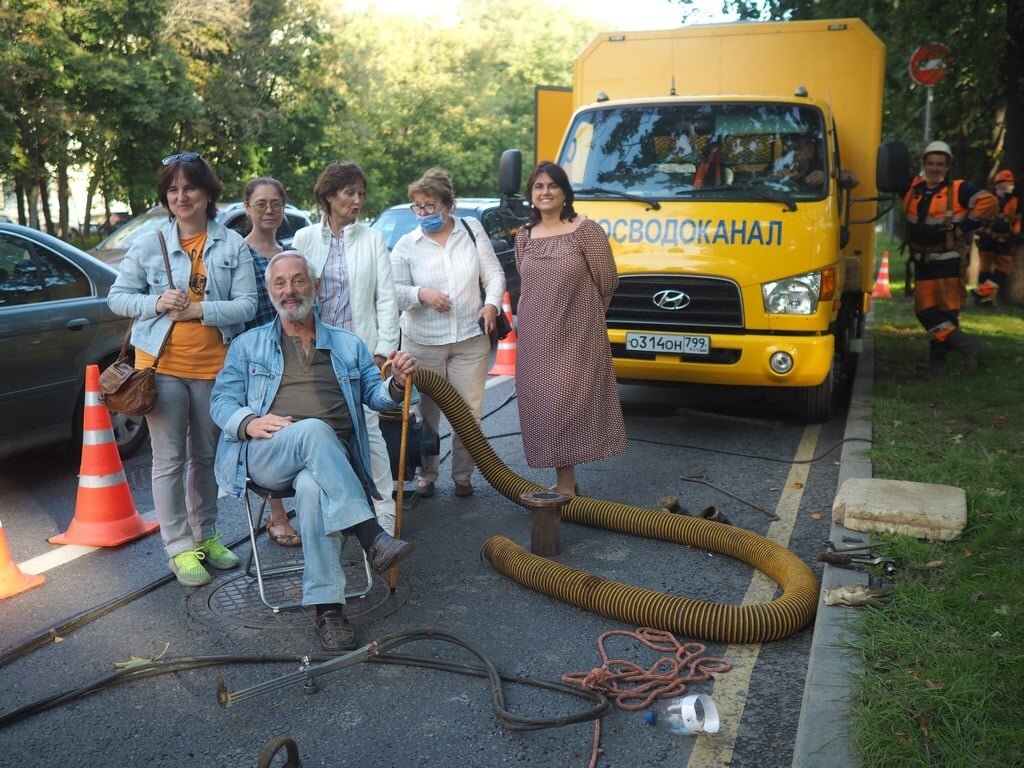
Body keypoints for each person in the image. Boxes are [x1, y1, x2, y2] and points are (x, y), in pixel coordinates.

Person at [210, 251, 416, 653]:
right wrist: (249, 421)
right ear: (270, 292)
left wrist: (397, 383)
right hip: (268, 453)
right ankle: (370, 534)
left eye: (299, 281)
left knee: (311, 489)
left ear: (316, 287)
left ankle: (328, 610)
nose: (290, 291)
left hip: (327, 464)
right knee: (313, 431)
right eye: (280, 284)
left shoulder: (348, 344)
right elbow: (220, 402)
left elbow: (377, 398)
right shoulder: (247, 346)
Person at [108, 151, 257, 587]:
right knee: (170, 460)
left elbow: (247, 305)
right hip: (162, 367)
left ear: (208, 193)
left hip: (216, 369)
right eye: (172, 190)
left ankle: (206, 535)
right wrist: (155, 303)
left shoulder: (231, 245)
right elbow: (118, 298)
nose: (181, 196)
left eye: (189, 187)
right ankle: (178, 548)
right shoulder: (149, 243)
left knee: (207, 458)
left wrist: (199, 310)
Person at [291, 162, 401, 534]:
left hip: (359, 350)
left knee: (368, 429)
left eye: (360, 194)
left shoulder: (371, 239)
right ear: (328, 196)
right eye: (348, 193)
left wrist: (383, 350)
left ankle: (383, 505)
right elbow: (292, 293)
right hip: (315, 352)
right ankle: (335, 507)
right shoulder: (305, 239)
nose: (356, 201)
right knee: (322, 429)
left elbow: (386, 297)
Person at [514, 161, 628, 496]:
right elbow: (527, 281)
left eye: (552, 186)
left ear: (565, 193)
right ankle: (564, 479)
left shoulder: (586, 230)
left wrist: (585, 324)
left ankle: (566, 484)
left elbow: (607, 283)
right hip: (535, 339)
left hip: (576, 337)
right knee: (544, 406)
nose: (545, 192)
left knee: (567, 403)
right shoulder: (524, 235)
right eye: (538, 186)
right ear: (531, 194)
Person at [390, 168, 505, 498]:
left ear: (449, 206)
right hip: (422, 342)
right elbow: (393, 291)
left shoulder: (471, 230)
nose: (424, 214)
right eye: (418, 207)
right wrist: (421, 293)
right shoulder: (406, 245)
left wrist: (492, 305)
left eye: (431, 207)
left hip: (470, 338)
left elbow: (494, 275)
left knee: (468, 412)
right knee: (425, 414)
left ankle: (463, 475)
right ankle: (427, 474)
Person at [901, 140, 998, 375]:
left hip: (948, 260)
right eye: (931, 163)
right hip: (922, 261)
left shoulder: (959, 189)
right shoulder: (913, 188)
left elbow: (990, 202)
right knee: (926, 311)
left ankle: (938, 365)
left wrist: (964, 226)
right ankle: (970, 348)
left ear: (947, 166)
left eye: (940, 164)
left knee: (946, 312)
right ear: (924, 164)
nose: (935, 168)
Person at [242, 176, 300, 547]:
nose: (268, 211)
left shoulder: (286, 254)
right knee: (268, 427)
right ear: (247, 208)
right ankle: (277, 513)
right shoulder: (236, 253)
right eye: (260, 203)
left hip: (291, 351)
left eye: (275, 204)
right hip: (253, 358)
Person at [972, 169, 1021, 307]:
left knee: (1005, 269)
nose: (1011, 185)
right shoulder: (988, 199)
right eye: (1008, 182)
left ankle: (981, 291)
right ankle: (983, 300)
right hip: (987, 238)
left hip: (1005, 240)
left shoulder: (1016, 201)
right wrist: (979, 232)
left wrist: (1016, 233)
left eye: (1012, 182)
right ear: (999, 184)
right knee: (985, 269)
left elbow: (1017, 219)